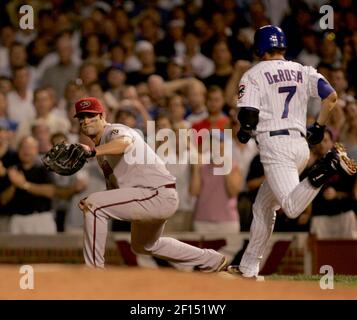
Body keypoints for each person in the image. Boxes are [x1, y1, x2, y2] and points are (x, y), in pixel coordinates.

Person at [226, 25, 357, 279]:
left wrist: (244, 131)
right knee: (263, 207)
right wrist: (319, 126)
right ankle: (248, 267)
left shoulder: (254, 74)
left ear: (259, 48)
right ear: (283, 45)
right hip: (300, 146)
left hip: (276, 146)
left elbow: (249, 116)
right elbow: (331, 97)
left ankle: (326, 167)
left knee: (291, 207)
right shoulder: (302, 70)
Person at [73, 96, 227, 270]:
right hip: (154, 196)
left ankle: (93, 271)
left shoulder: (113, 131)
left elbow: (124, 143)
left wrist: (93, 153)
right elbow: (114, 189)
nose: (86, 121)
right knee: (144, 245)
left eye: (91, 115)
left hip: (155, 193)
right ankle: (211, 259)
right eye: (82, 117)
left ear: (102, 116)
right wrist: (94, 199)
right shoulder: (102, 150)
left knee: (94, 205)